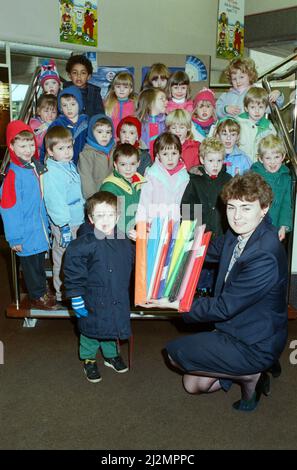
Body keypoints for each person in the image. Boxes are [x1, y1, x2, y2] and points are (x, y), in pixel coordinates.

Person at [143, 172, 288, 412]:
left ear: (264, 208)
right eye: (231, 207)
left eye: (245, 208)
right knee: (193, 384)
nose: (236, 216)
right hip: (235, 328)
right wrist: (164, 243)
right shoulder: (240, 233)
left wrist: (175, 304)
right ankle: (245, 372)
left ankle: (252, 375)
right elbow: (206, 248)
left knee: (174, 355)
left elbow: (223, 306)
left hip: (254, 342)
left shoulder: (264, 254)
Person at [64, 191, 134, 382]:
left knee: (112, 327)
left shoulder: (123, 241)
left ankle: (111, 355)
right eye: (100, 215)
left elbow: (132, 262)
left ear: (118, 216)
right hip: (93, 297)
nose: (106, 219)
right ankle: (88, 359)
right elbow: (73, 272)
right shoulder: (82, 244)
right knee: (91, 331)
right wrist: (76, 297)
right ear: (90, 218)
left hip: (117, 294)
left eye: (110, 214)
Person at [0, 121, 56, 309]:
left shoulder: (33, 166)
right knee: (31, 266)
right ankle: (37, 295)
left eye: (31, 144)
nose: (27, 149)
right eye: (22, 146)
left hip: (37, 228)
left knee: (39, 262)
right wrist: (14, 237)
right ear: (12, 147)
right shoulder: (13, 175)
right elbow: (9, 209)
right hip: (24, 232)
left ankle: (41, 289)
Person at [181, 137, 231, 292]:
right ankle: (199, 290)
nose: (215, 165)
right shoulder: (195, 181)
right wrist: (194, 227)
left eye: (218, 160)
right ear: (202, 159)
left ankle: (215, 291)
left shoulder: (228, 179)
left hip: (222, 231)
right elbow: (187, 206)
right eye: (211, 160)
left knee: (220, 264)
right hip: (201, 231)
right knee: (200, 262)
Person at [43, 126, 85, 303]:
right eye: (61, 148)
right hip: (64, 224)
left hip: (76, 219)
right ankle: (62, 293)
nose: (67, 152)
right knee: (62, 258)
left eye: (69, 147)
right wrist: (63, 225)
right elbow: (54, 201)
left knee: (75, 257)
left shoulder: (67, 165)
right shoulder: (51, 172)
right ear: (50, 151)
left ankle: (75, 289)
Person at [136, 132, 189, 225]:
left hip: (176, 227)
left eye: (174, 153)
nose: (170, 158)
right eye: (165, 154)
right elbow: (144, 203)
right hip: (154, 226)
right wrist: (143, 226)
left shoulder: (185, 177)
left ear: (180, 154)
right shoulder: (152, 175)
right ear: (158, 155)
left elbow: (188, 206)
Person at [251, 134, 292, 241]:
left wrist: (283, 226)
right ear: (260, 158)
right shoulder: (254, 174)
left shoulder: (286, 178)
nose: (272, 162)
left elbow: (286, 204)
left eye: (277, 157)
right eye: (268, 158)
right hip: (254, 225)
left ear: (283, 157)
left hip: (275, 226)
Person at [100, 143, 145, 238]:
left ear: (138, 163)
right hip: (118, 235)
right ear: (115, 165)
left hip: (137, 233)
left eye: (132, 164)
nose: (128, 169)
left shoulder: (142, 182)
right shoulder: (110, 186)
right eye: (123, 164)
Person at [216, 57, 283, 119]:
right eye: (234, 79)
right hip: (232, 130)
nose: (238, 81)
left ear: (250, 76)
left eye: (241, 77)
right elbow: (216, 112)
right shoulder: (226, 96)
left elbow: (272, 108)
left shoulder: (257, 94)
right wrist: (225, 109)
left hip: (253, 129)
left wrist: (278, 95)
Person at [42, 86, 88, 165]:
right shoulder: (56, 125)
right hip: (61, 166)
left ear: (80, 104)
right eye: (65, 105)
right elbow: (46, 148)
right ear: (61, 108)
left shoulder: (87, 123)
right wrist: (43, 165)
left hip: (83, 166)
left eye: (73, 104)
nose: (69, 108)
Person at [78, 114, 115, 199]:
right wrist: (95, 203)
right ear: (91, 132)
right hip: (98, 201)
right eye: (100, 132)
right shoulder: (86, 155)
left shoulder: (115, 150)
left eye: (108, 132)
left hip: (116, 198)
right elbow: (87, 184)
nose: (104, 135)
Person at [237, 87, 277, 162]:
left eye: (261, 107)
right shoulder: (238, 123)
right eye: (253, 107)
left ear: (265, 108)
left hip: (260, 165)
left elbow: (273, 147)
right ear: (246, 108)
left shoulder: (268, 127)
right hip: (241, 164)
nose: (257, 111)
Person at [64, 53, 105, 118]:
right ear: (69, 75)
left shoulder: (95, 93)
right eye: (75, 73)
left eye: (83, 73)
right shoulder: (64, 92)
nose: (79, 76)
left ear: (89, 76)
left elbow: (100, 116)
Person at [137, 87, 168, 159]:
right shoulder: (139, 123)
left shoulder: (167, 122)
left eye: (166, 99)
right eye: (162, 99)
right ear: (150, 102)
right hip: (143, 161)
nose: (166, 102)